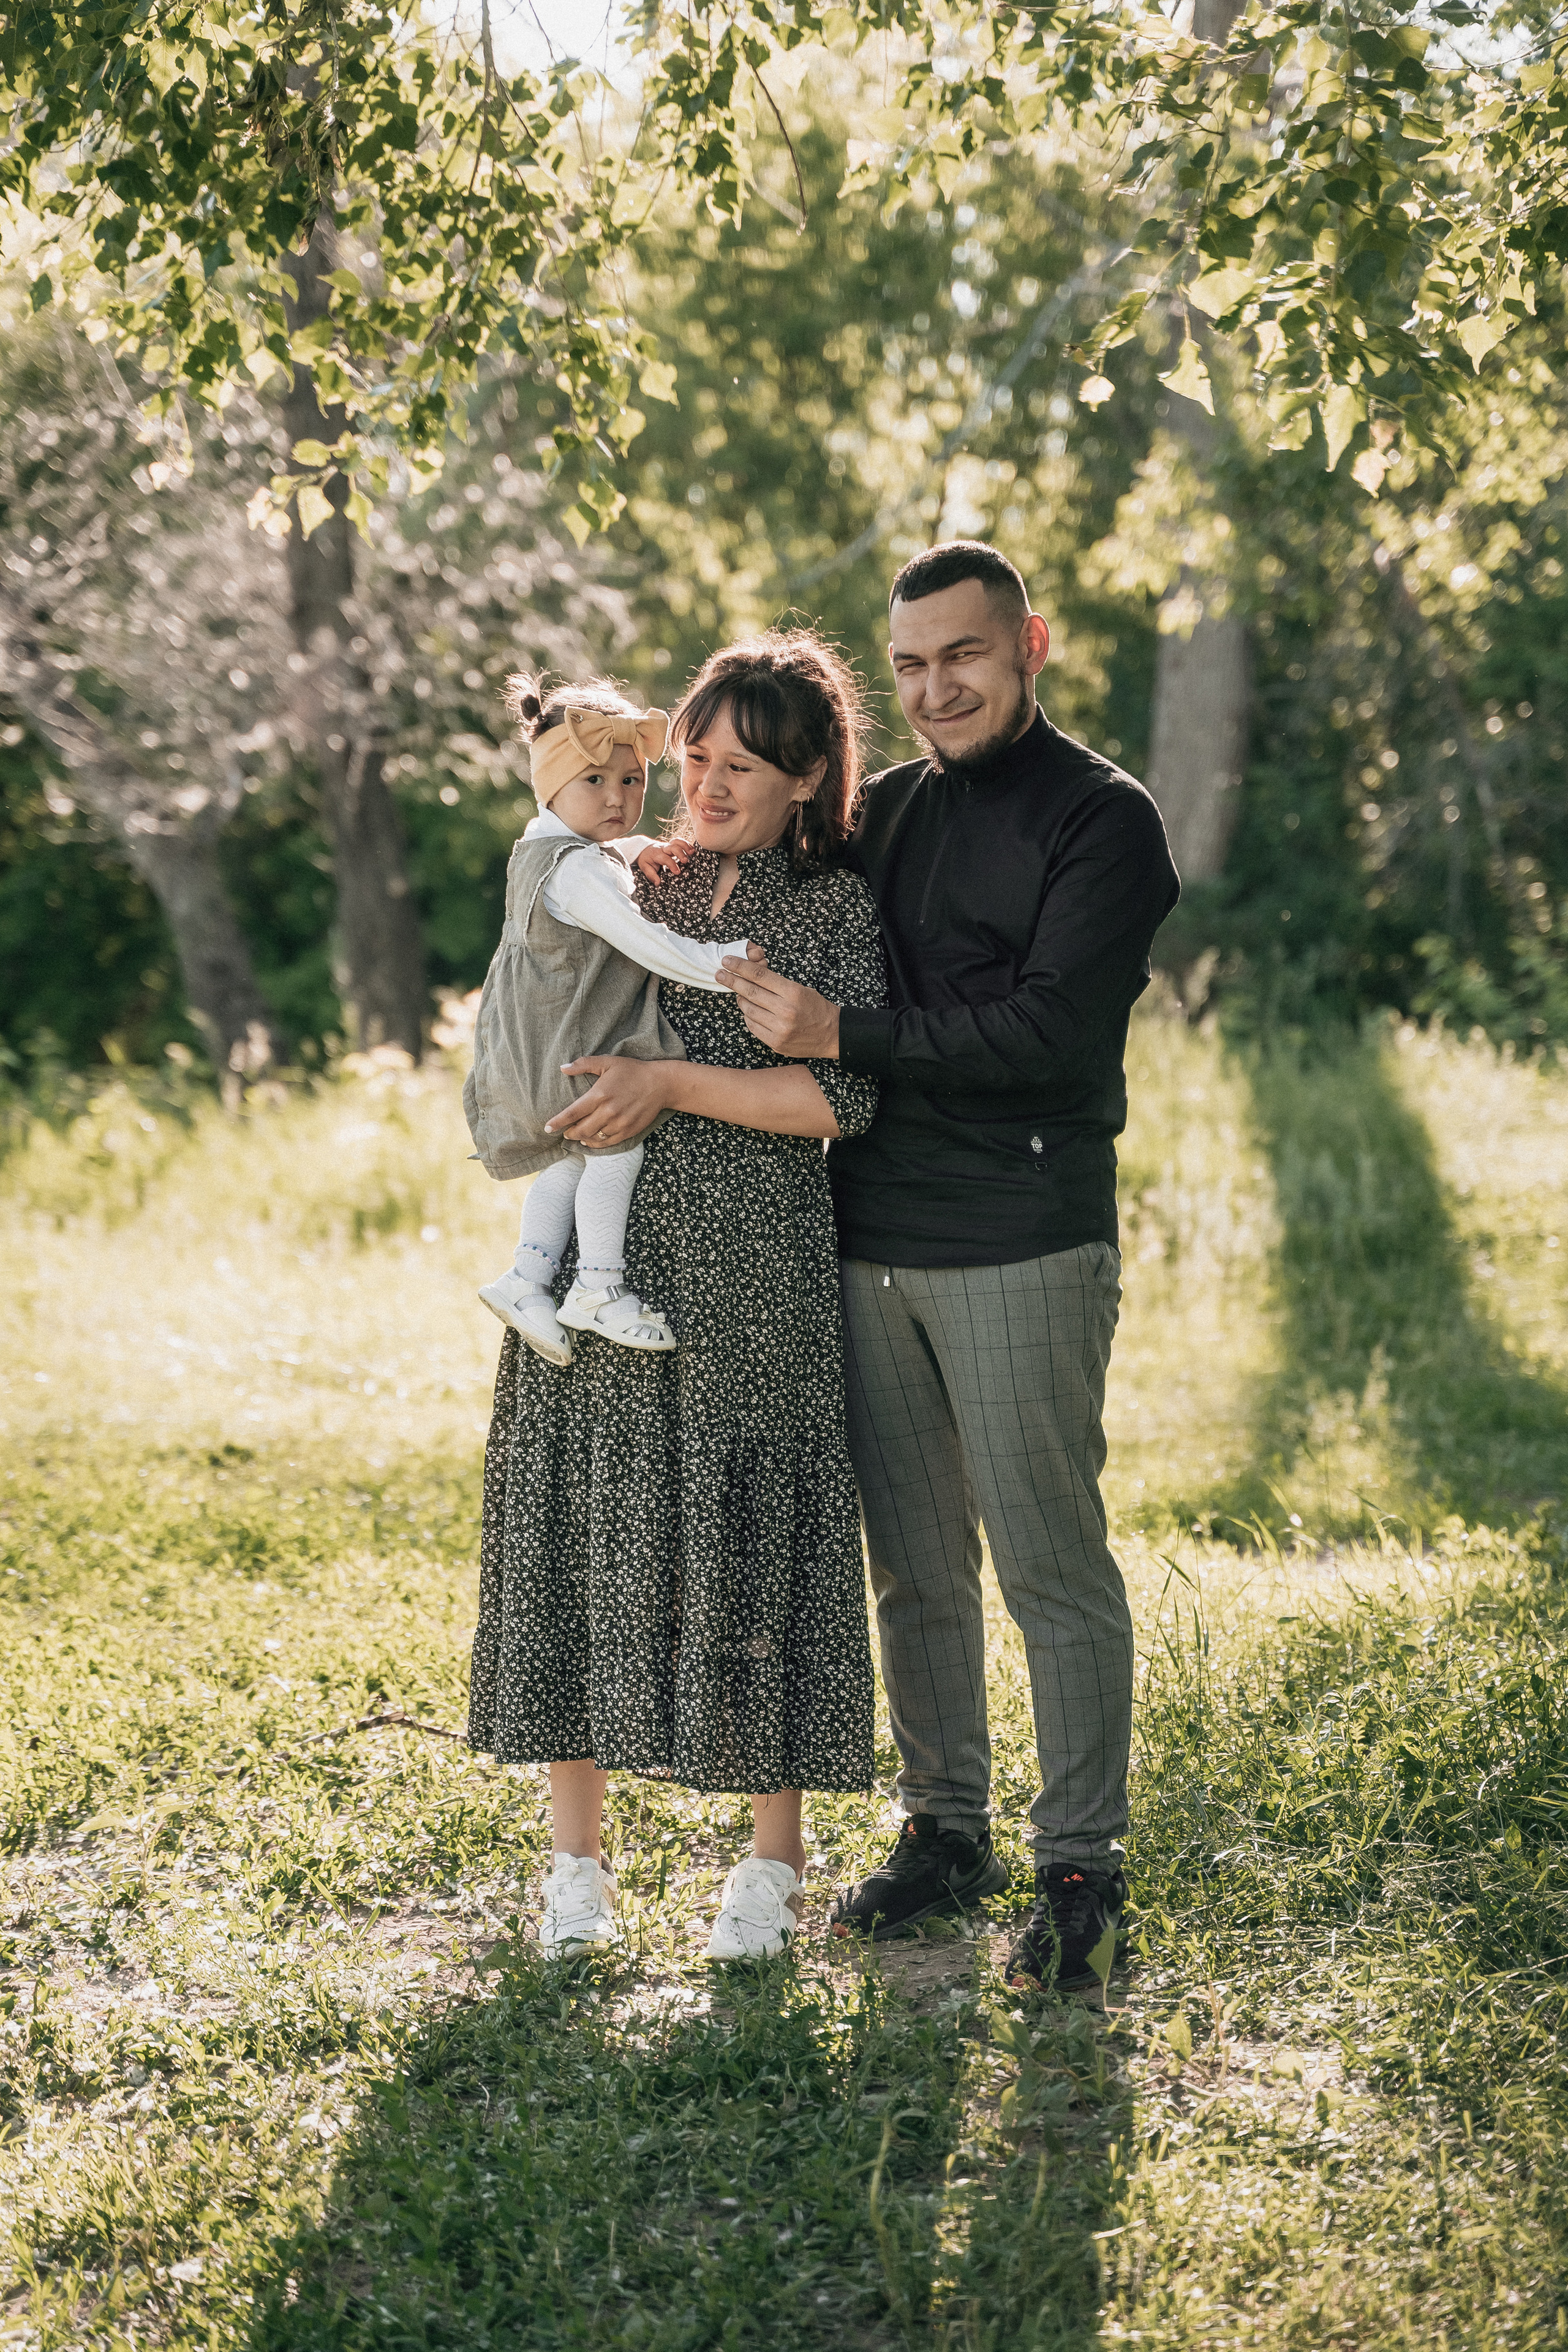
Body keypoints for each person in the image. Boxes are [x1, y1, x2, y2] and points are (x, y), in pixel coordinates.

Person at [715, 542, 1180, 1993]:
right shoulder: (887, 814)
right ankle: (943, 1830)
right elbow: (752, 898)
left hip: (1020, 1237)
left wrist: (841, 1036)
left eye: (962, 658)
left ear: (1028, 643)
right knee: (914, 1569)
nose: (934, 689)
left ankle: (1080, 1866)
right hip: (864, 1243)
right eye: (908, 667)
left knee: (1047, 1560)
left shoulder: (1104, 822)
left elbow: (1044, 1036)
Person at [466, 629, 888, 1965]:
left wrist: (668, 1085)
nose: (702, 790)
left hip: (753, 1264)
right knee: (582, 1531)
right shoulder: (624, 868)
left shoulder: (831, 910)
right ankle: (574, 1866)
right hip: (605, 1265)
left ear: (809, 779)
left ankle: (768, 1864)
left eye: (740, 770)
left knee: (754, 1538)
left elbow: (841, 1098)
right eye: (690, 760)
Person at [466, 676, 750, 1363]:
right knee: (618, 1150)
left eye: (631, 781)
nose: (618, 799)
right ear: (551, 783)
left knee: (569, 1159)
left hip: (524, 1060)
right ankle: (597, 1286)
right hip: (568, 1056)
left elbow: (588, 862)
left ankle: (527, 1276)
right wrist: (724, 961)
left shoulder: (543, 848)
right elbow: (643, 940)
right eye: (595, 780)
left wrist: (629, 848)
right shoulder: (580, 873)